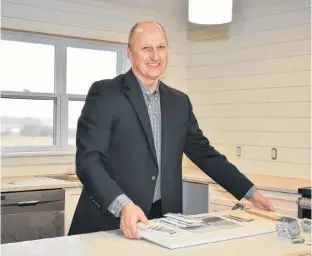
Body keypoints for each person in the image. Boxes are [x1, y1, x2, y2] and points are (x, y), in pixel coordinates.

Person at [68, 21, 274, 239]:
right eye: (146, 48)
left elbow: (204, 154)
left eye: (161, 47)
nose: (155, 56)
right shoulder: (106, 93)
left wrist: (250, 193)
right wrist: (123, 204)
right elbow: (88, 161)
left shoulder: (179, 102)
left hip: (162, 224)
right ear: (130, 53)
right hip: (110, 222)